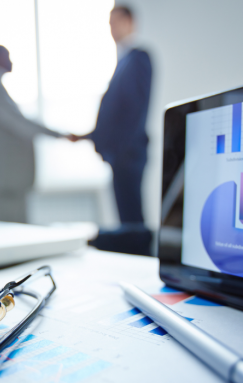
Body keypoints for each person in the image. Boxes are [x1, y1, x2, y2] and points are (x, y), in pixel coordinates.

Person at [70, 6, 153, 255]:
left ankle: (142, 268)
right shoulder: (123, 62)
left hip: (128, 156)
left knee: (132, 225)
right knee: (126, 221)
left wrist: (120, 151)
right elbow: (113, 117)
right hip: (121, 156)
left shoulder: (138, 58)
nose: (112, 29)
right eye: (109, 23)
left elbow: (134, 112)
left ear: (130, 22)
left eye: (115, 22)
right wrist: (87, 136)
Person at [0, 45, 67, 223]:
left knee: (19, 228)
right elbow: (18, 124)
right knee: (9, 231)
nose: (11, 61)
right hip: (6, 178)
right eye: (8, 57)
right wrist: (58, 134)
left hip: (14, 179)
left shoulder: (0, 91)